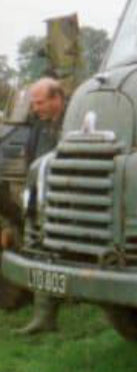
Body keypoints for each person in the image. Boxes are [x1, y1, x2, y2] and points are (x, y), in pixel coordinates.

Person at [17, 77, 67, 334]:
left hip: (62, 202)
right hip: (37, 198)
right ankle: (42, 317)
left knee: (55, 252)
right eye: (34, 103)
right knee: (36, 250)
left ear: (56, 99)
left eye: (39, 103)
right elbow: (29, 158)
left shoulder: (73, 122)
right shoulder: (38, 125)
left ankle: (50, 314)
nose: (35, 108)